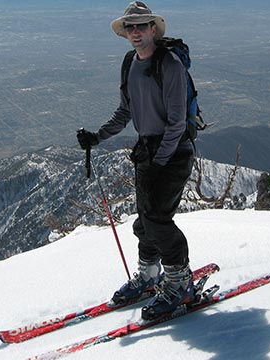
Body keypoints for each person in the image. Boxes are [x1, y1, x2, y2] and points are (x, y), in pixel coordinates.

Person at [76, 1, 195, 320]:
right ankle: (149, 275)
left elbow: (177, 122)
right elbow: (125, 111)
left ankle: (180, 281)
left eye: (142, 25)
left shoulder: (169, 64)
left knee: (157, 217)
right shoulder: (130, 63)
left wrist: (161, 160)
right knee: (144, 220)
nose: (136, 31)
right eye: (130, 27)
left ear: (154, 28)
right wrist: (97, 137)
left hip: (173, 153)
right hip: (147, 151)